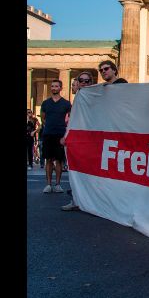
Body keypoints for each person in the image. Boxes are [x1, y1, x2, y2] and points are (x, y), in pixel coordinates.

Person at [61, 72, 95, 211]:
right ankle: (76, 199)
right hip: (79, 139)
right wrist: (66, 135)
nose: (84, 83)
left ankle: (90, 202)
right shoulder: (78, 98)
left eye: (87, 81)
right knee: (76, 171)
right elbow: (73, 119)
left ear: (91, 83)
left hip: (92, 139)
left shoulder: (95, 96)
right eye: (81, 80)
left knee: (91, 173)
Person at [40, 80, 71, 194]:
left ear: (61, 88)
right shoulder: (45, 103)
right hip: (48, 134)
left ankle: (58, 184)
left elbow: (71, 117)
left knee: (59, 160)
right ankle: (48, 184)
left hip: (60, 135)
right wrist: (49, 125)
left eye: (56, 86)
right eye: (52, 86)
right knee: (48, 159)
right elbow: (43, 118)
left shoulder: (66, 103)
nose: (54, 88)